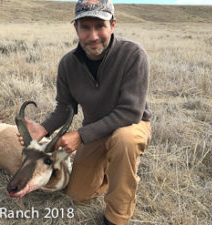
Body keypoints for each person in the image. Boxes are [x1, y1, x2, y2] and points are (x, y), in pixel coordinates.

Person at [18, 0, 152, 224]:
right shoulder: (68, 64)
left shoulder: (133, 54)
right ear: (76, 28)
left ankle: (117, 216)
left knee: (124, 140)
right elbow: (64, 107)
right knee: (77, 195)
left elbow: (130, 112)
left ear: (113, 25)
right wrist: (43, 128)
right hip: (95, 130)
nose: (93, 36)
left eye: (100, 26)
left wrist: (80, 136)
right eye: (85, 27)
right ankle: (115, 172)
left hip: (132, 126)